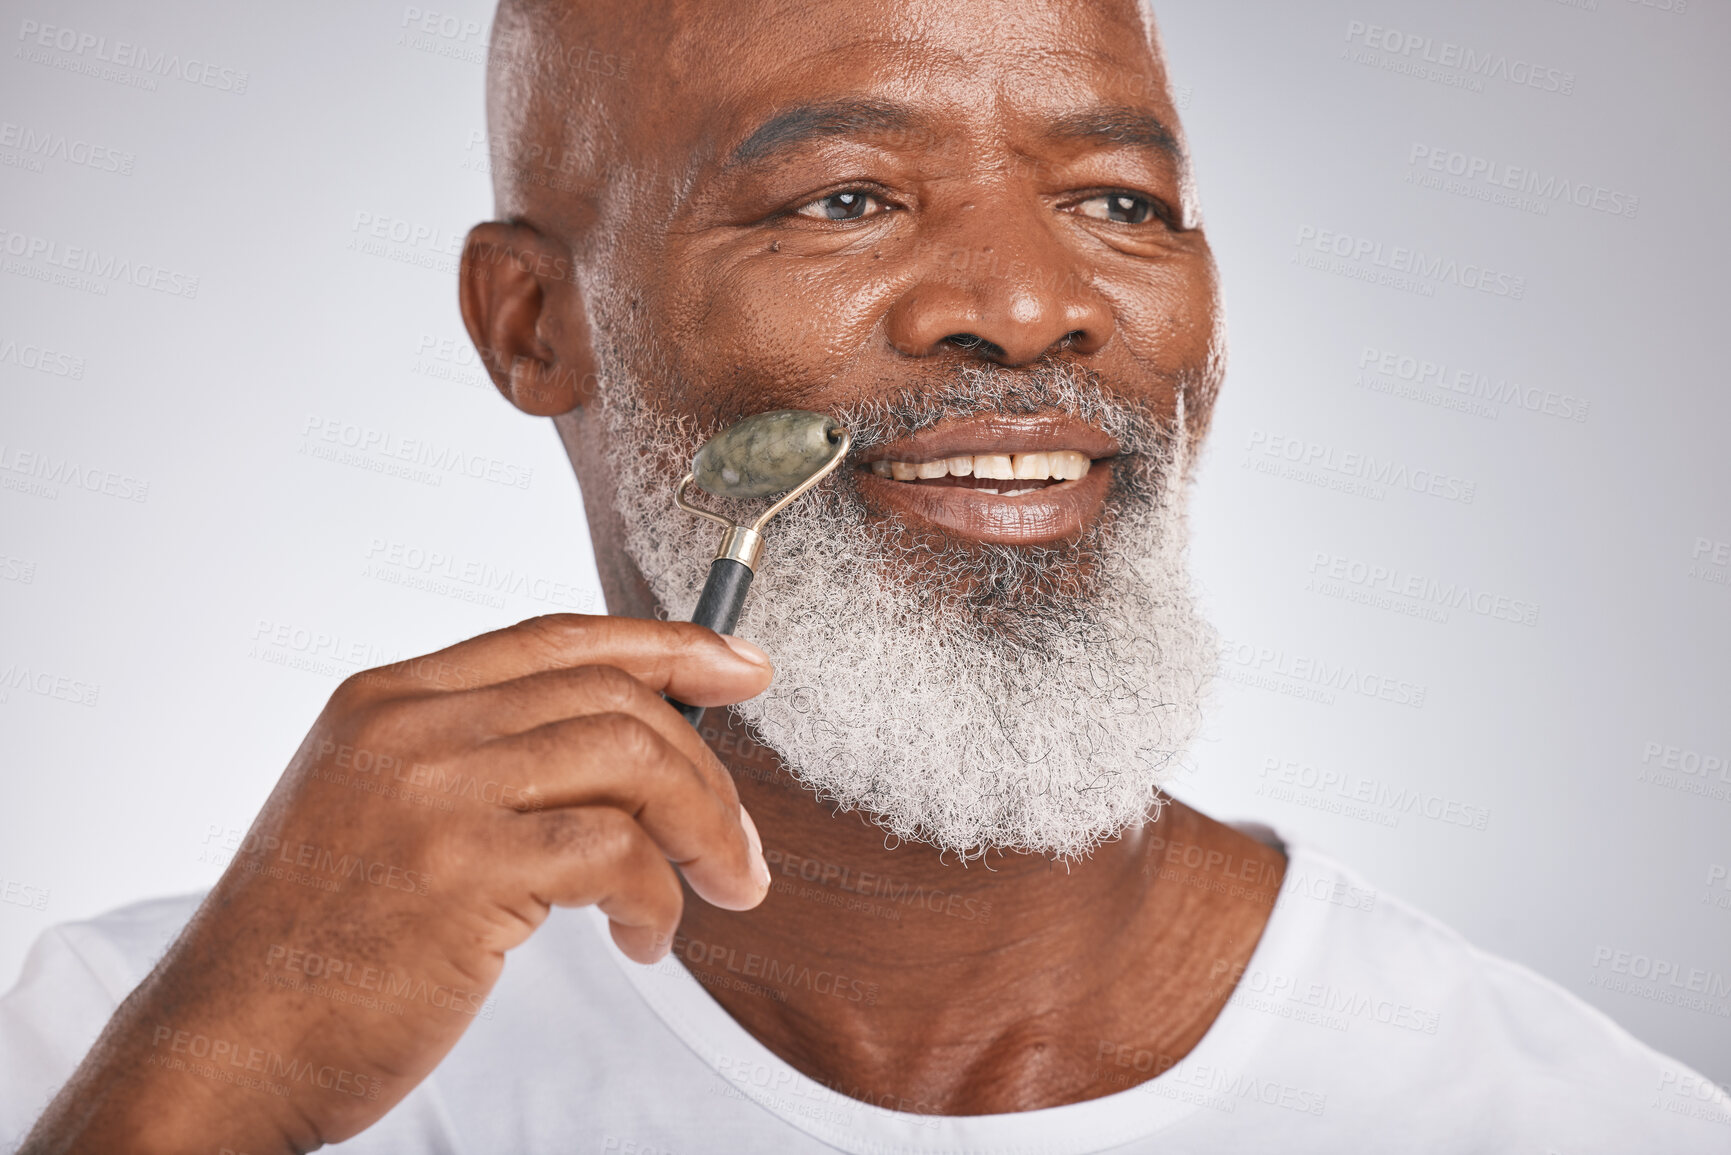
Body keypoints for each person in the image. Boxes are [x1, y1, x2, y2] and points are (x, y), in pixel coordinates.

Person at [5, 0, 1728, 1150]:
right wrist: (201, 1107)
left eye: (1122, 203)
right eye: (842, 201)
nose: (1033, 303)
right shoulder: (134, 1052)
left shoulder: (1564, 1123)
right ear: (535, 326)